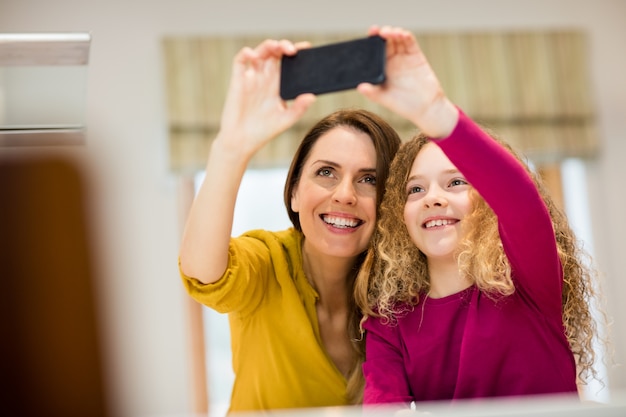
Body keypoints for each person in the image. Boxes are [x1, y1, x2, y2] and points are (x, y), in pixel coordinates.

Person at [349, 27, 603, 405]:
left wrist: (437, 113)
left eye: (455, 183)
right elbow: (384, 405)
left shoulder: (528, 283)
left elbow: (519, 198)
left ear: (489, 204)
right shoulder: (391, 323)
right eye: (415, 190)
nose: (432, 198)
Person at [177, 37, 401, 412]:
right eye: (326, 172)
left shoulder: (401, 294)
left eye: (369, 179)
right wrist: (231, 147)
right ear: (295, 192)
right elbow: (202, 271)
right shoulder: (266, 262)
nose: (345, 194)